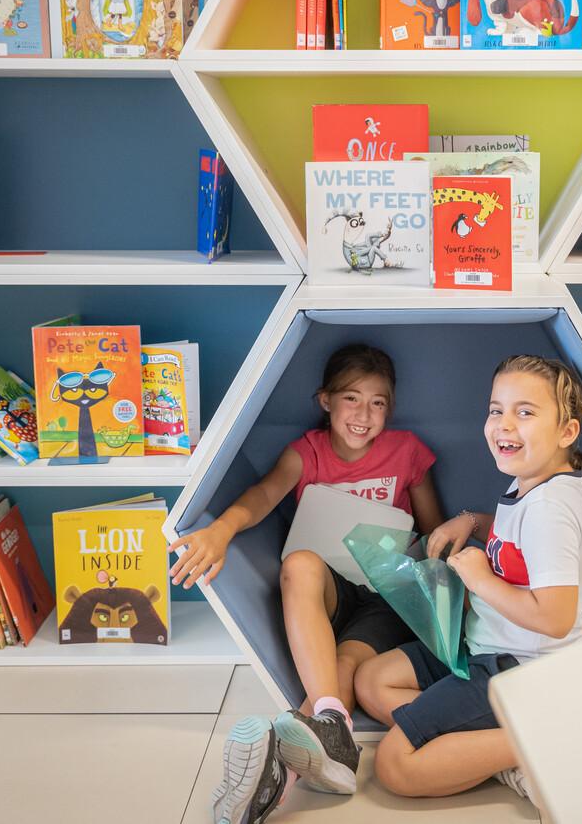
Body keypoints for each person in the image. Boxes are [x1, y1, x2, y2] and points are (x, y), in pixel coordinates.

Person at [166, 343, 443, 824]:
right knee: (299, 562)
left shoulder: (407, 451)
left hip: (384, 597)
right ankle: (333, 729)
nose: (364, 414)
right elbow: (263, 494)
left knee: (345, 665)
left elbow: (434, 530)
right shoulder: (306, 453)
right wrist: (221, 529)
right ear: (325, 401)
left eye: (378, 403)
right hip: (328, 589)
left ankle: (280, 773)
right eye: (352, 399)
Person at [354, 354, 582, 804]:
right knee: (372, 681)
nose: (504, 424)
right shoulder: (536, 480)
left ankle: (539, 743)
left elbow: (556, 618)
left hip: (522, 667)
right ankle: (483, 751)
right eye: (496, 410)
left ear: (567, 431)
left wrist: (478, 578)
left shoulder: (550, 510)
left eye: (525, 412)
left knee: (394, 765)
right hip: (486, 646)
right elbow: (517, 538)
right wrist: (469, 521)